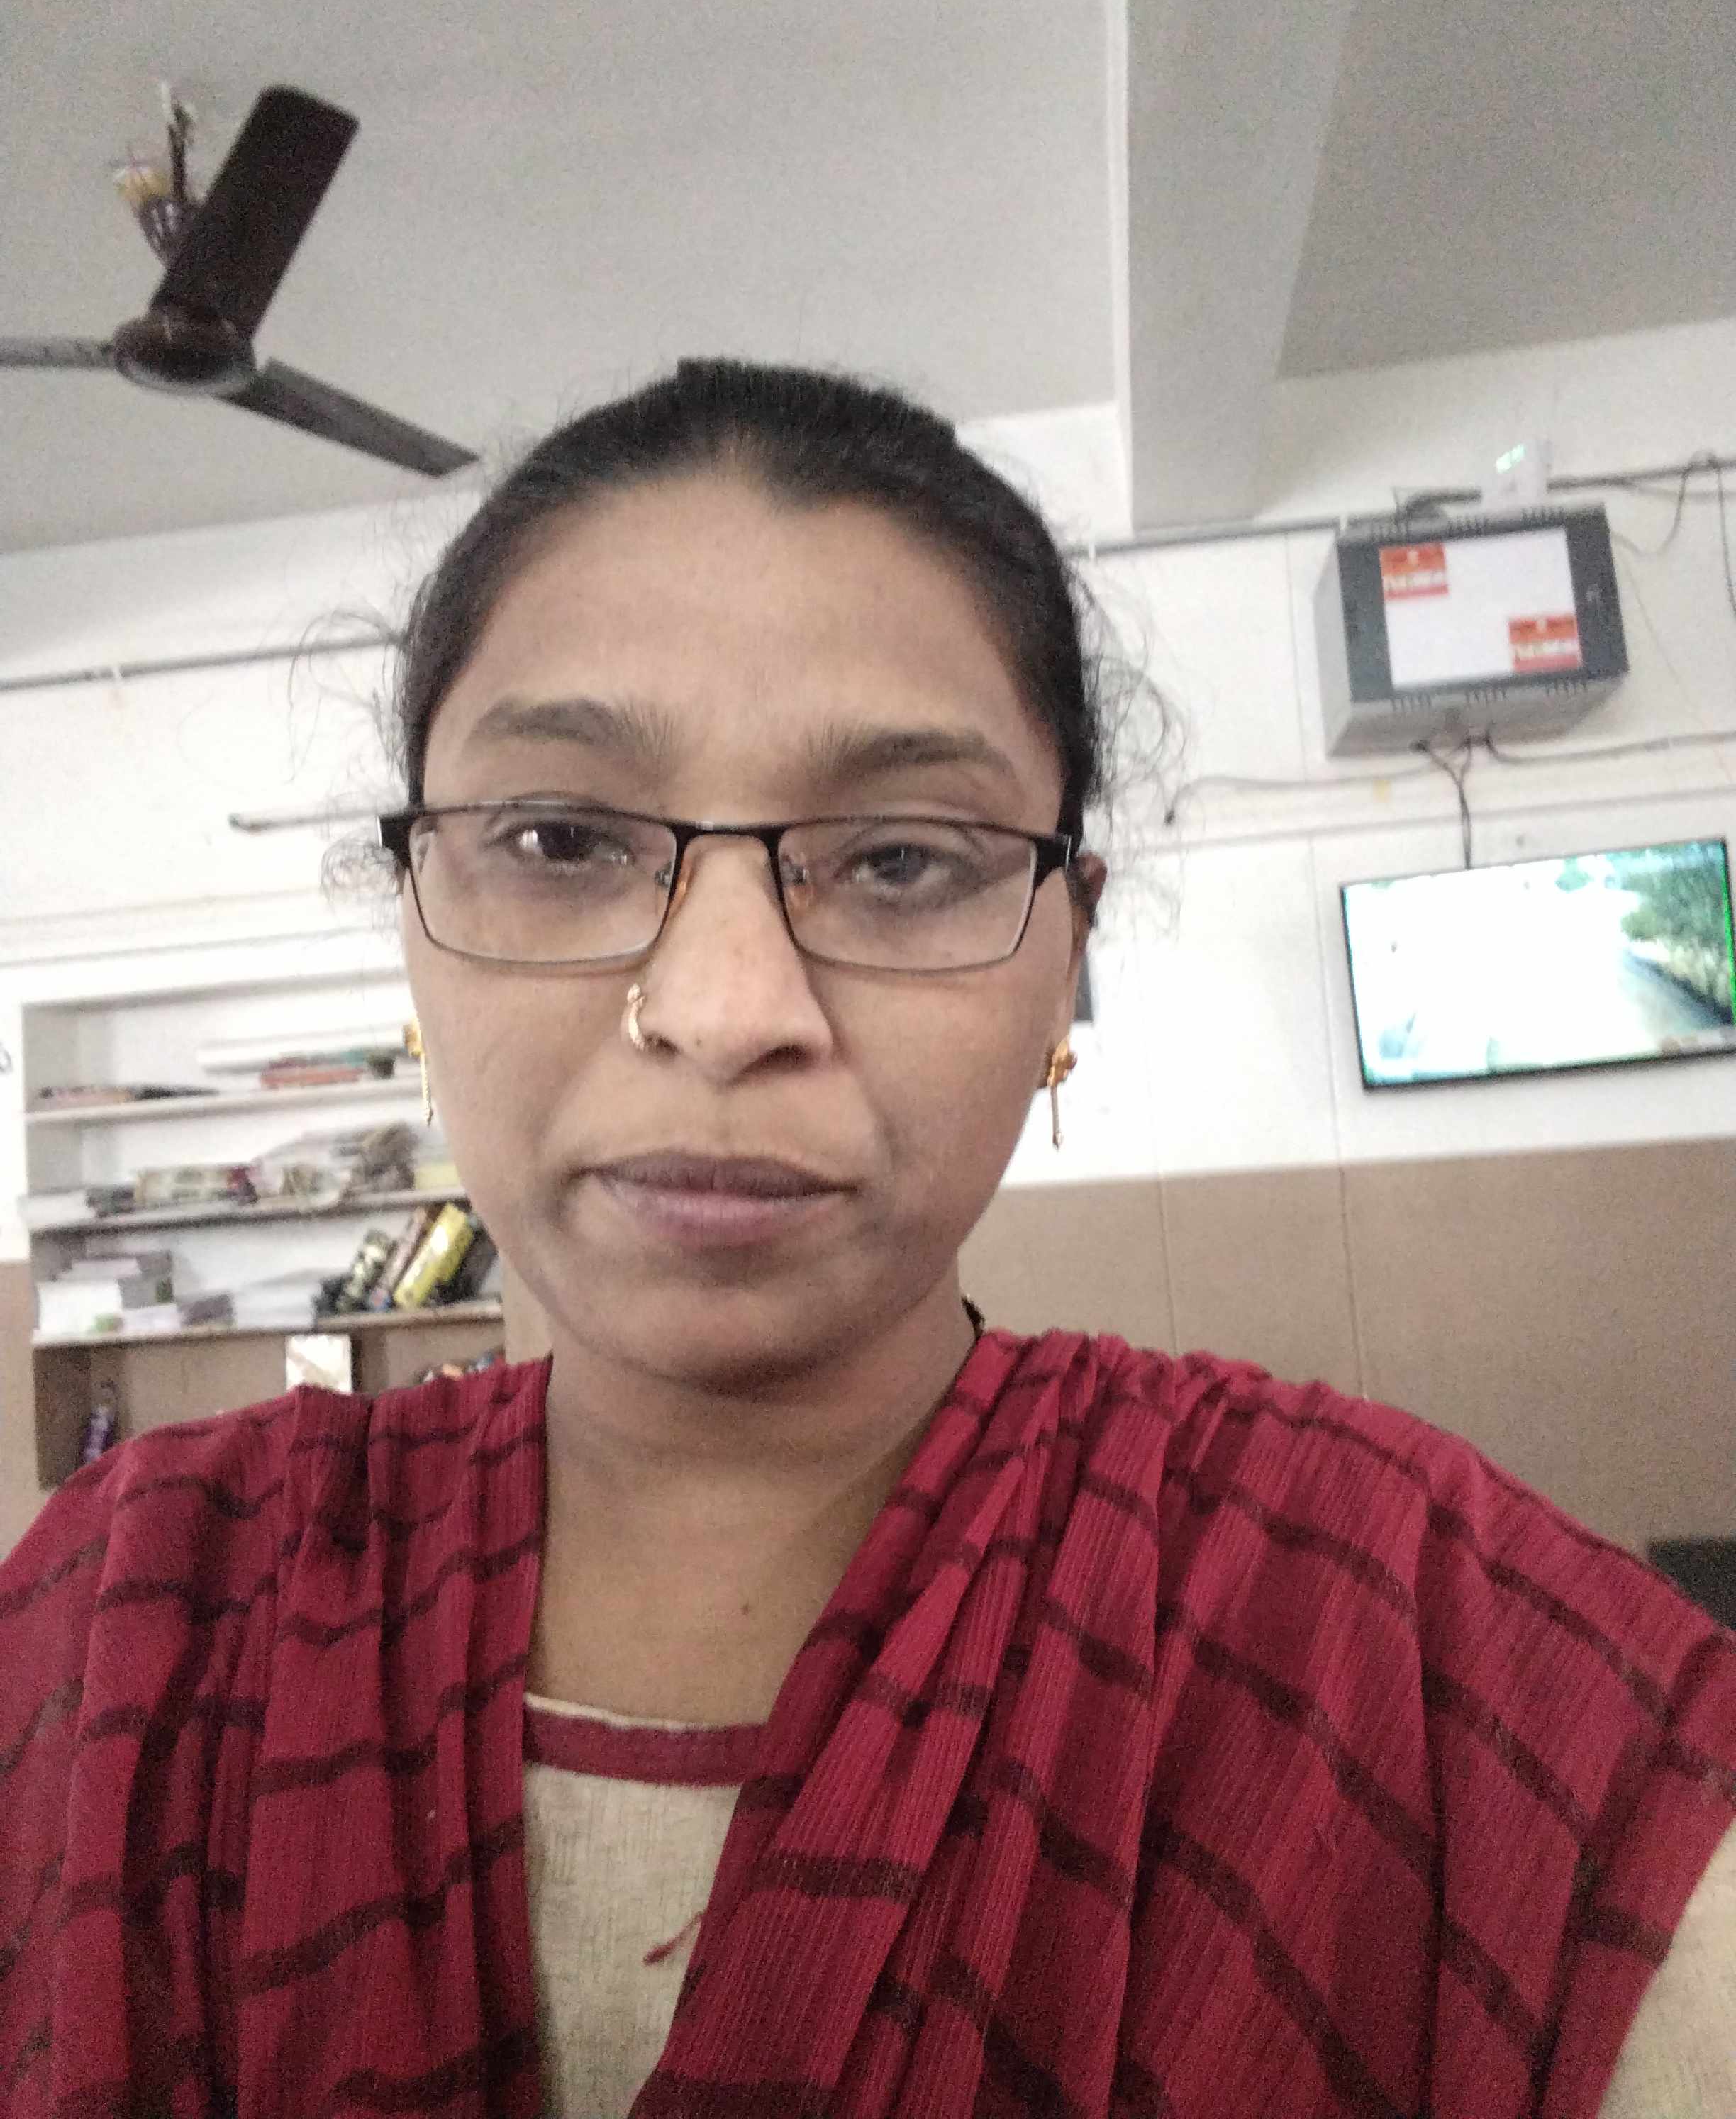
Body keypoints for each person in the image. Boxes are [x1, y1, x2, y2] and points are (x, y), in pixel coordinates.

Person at [2, 358, 1732, 2119]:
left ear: (1065, 958)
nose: (723, 1010)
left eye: (902, 860)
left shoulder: (1412, 1640)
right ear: (414, 919)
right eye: (559, 836)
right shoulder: (130, 1622)